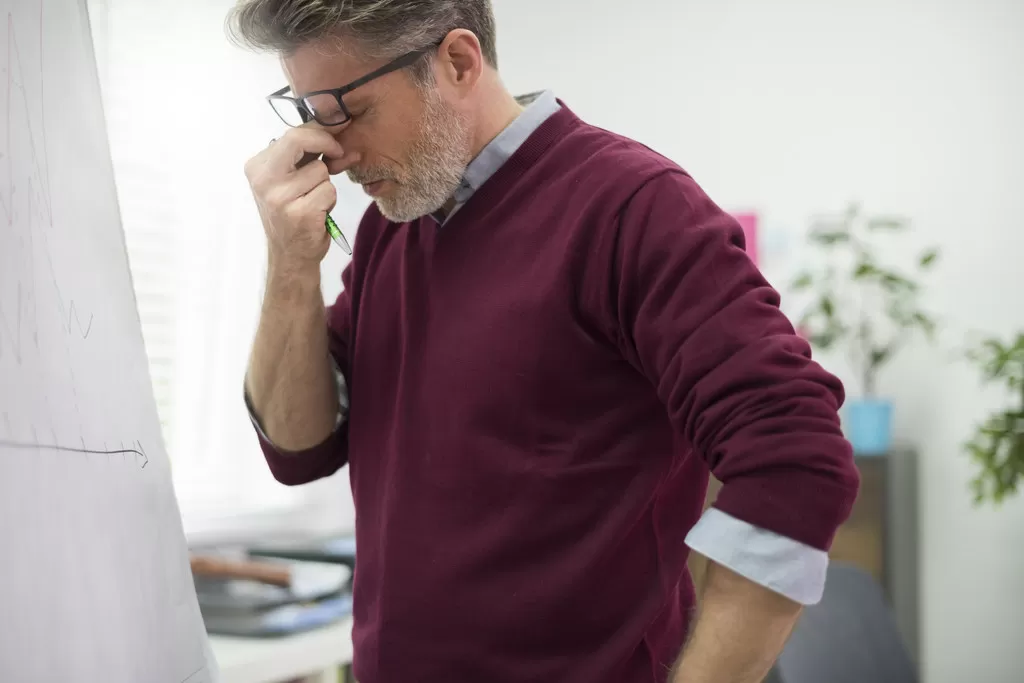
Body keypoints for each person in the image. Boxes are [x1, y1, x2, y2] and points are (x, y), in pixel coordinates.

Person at [230, 1, 860, 682]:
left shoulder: (629, 205)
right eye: (309, 113)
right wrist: (291, 261)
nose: (336, 151)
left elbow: (797, 458)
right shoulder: (394, 226)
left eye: (347, 109)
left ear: (459, 62)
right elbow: (299, 446)